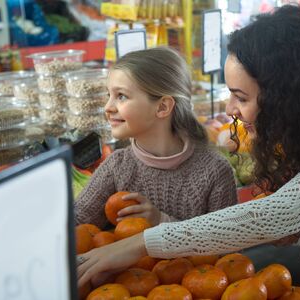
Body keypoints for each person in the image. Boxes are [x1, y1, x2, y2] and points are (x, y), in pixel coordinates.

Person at [77, 6, 300, 298]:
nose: (231, 109)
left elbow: (275, 214)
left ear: (286, 96)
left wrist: (140, 243)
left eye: (241, 97)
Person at [74, 47, 237, 229]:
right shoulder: (117, 167)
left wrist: (160, 221)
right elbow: (74, 225)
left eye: (121, 96)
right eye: (108, 95)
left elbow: (227, 247)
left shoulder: (215, 171)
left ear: (162, 107)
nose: (108, 107)